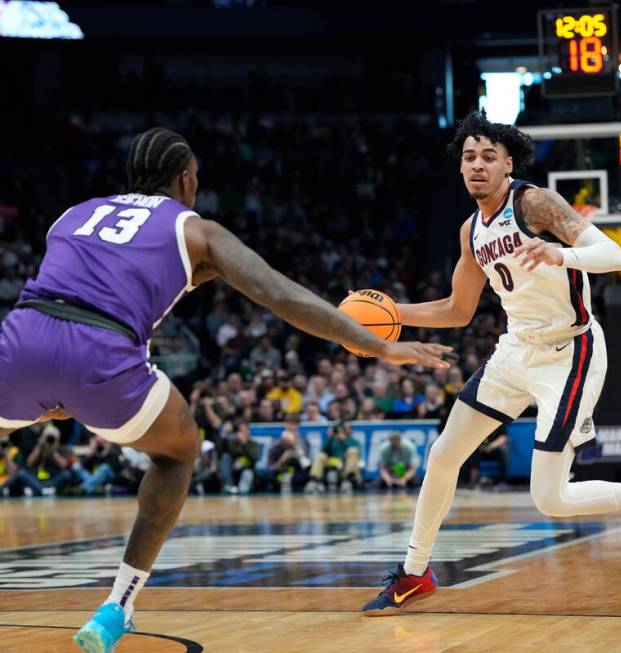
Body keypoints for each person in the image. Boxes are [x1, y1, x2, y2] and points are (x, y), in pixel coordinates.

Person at [0, 126, 451, 652]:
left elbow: (87, 281)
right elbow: (279, 294)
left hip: (20, 338)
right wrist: (377, 346)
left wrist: (52, 385)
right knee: (178, 454)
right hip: (102, 353)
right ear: (187, 178)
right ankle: (117, 606)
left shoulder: (73, 214)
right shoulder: (196, 230)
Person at [362, 112, 621, 616]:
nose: (477, 165)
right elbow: (457, 309)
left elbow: (612, 257)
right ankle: (415, 571)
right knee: (443, 455)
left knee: (549, 498)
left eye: (488, 157)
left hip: (570, 352)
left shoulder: (534, 202)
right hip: (516, 350)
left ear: (507, 164)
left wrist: (563, 256)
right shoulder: (470, 229)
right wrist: (390, 315)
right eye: (469, 157)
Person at [219, 421, 260, 495]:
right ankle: (228, 485)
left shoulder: (254, 444)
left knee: (247, 474)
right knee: (225, 457)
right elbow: (222, 449)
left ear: (248, 431)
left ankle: (242, 492)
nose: (243, 433)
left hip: (247, 471)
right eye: (241, 431)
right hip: (233, 472)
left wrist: (244, 445)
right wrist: (225, 433)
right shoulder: (233, 443)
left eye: (245, 430)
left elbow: (254, 457)